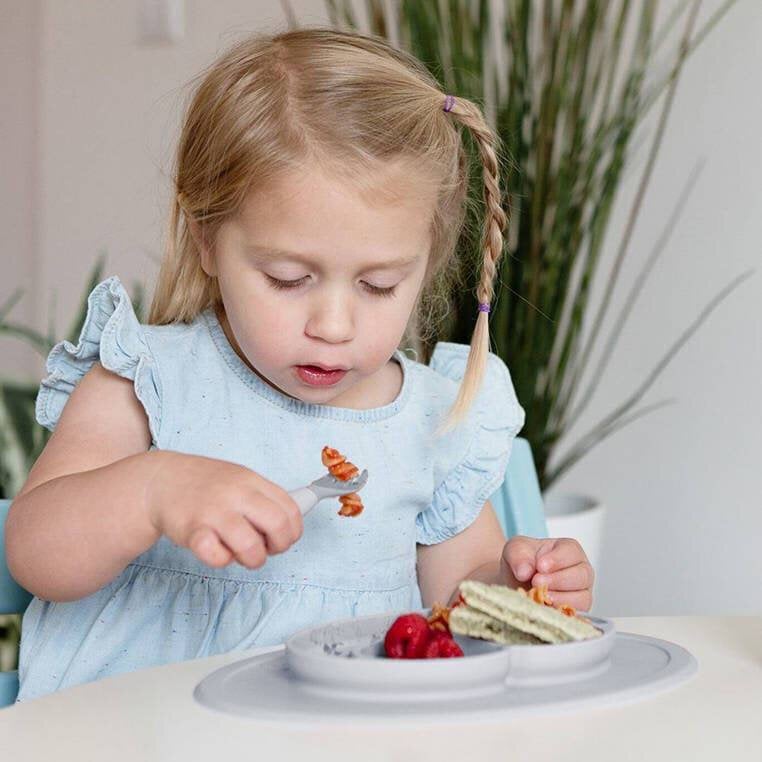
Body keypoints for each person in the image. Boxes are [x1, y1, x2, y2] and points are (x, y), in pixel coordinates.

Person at [6, 28, 594, 701]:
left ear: (425, 267)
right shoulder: (147, 383)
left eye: (378, 286)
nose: (334, 326)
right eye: (288, 278)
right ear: (206, 239)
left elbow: (460, 605)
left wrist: (515, 590)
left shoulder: (433, 419)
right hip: (144, 733)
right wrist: (150, 491)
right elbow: (34, 553)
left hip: (350, 736)